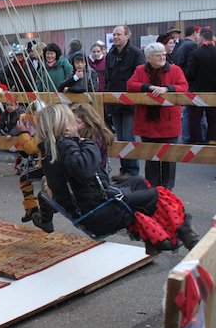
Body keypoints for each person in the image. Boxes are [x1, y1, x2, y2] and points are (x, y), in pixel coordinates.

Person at [34, 104, 199, 255]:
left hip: (91, 204)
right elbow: (84, 168)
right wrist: (87, 144)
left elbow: (83, 176)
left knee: (138, 182)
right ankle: (185, 235)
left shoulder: (52, 148)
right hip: (100, 211)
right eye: (71, 120)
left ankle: (155, 240)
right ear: (65, 125)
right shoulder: (67, 146)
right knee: (161, 194)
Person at [127, 42, 188, 190]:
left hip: (168, 123)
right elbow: (130, 85)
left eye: (163, 54)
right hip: (148, 124)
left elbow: (184, 87)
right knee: (151, 158)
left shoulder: (175, 70)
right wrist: (149, 87)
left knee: (169, 159)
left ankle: (167, 190)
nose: (162, 57)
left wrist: (167, 88)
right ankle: (152, 189)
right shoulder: (140, 70)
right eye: (157, 55)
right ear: (148, 58)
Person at [105, 25, 146, 179]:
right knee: (120, 138)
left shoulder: (136, 54)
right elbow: (108, 78)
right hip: (114, 103)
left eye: (119, 34)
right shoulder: (111, 54)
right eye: (114, 35)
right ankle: (124, 170)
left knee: (128, 137)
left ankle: (132, 171)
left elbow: (140, 76)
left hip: (129, 104)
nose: (116, 37)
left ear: (127, 36)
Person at [185, 27, 216, 145]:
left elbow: (189, 74)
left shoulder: (195, 53)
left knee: (195, 119)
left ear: (201, 38)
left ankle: (196, 142)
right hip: (214, 91)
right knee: (213, 119)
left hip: (197, 92)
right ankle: (212, 141)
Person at [70, 103, 114, 172]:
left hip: (94, 174)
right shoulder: (81, 133)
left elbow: (86, 162)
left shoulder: (96, 138)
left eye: (74, 121)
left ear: (85, 122)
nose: (70, 124)